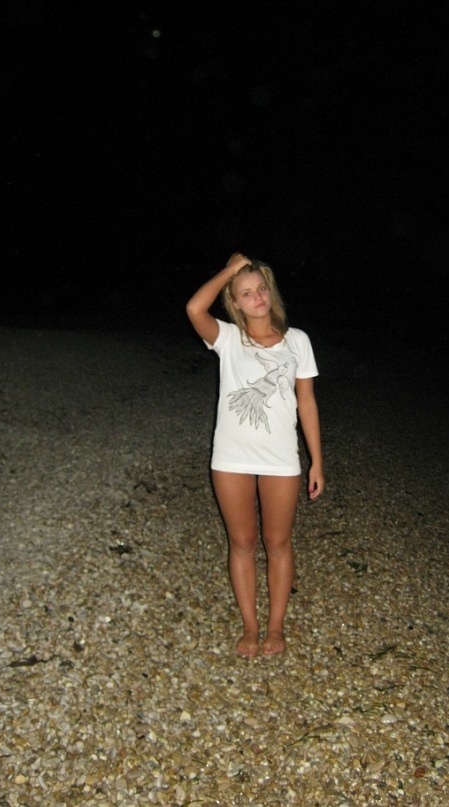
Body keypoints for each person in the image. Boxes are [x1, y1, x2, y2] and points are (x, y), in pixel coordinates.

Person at [186, 252, 324, 657]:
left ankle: (275, 627)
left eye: (261, 288)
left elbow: (307, 402)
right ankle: (250, 626)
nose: (257, 297)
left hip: (281, 458)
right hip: (231, 457)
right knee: (242, 541)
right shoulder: (228, 338)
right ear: (234, 302)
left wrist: (317, 461)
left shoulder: (298, 341)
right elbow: (194, 308)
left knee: (277, 542)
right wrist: (230, 270)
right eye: (245, 293)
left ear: (271, 292)